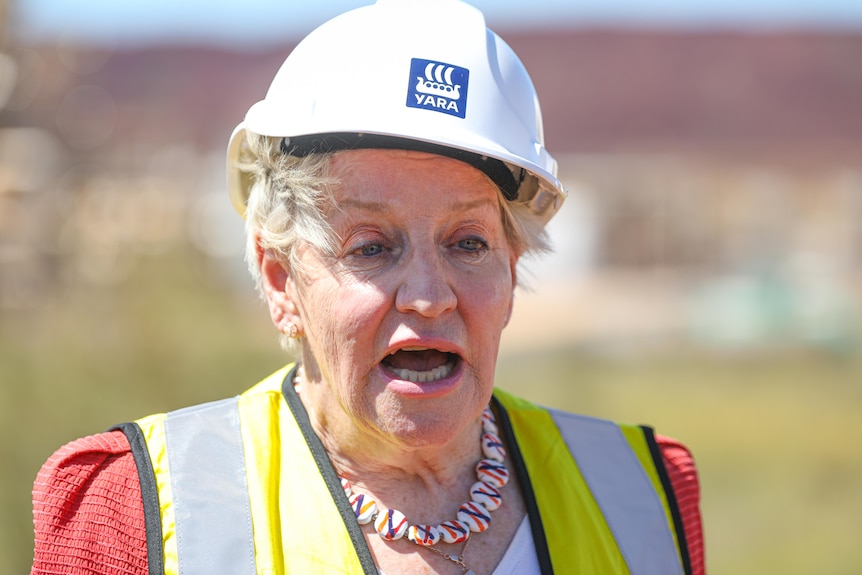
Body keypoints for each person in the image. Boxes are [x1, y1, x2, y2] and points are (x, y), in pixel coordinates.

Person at [30, 1, 704, 574]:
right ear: (279, 279)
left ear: (513, 266)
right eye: (372, 247)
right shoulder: (135, 508)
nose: (428, 295)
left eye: (468, 242)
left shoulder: (642, 493)